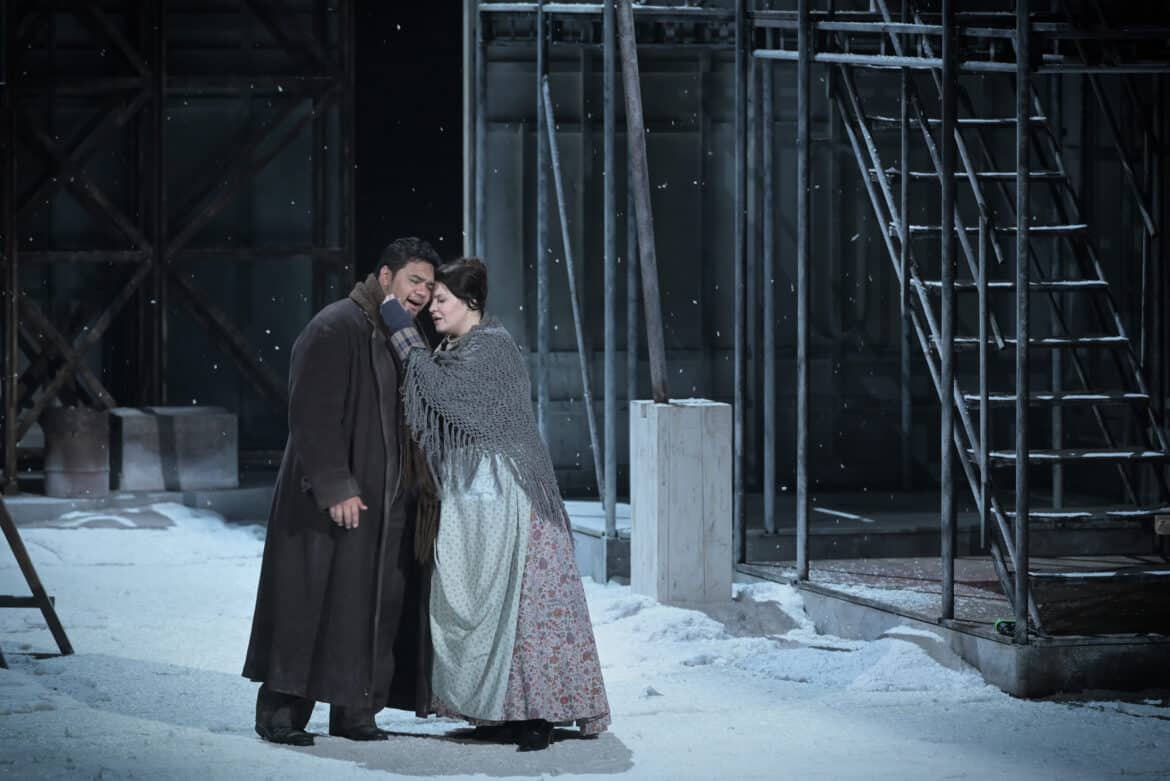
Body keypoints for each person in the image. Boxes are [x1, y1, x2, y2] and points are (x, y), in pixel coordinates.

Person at [380, 257, 611, 752]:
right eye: (432, 300)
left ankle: (539, 713)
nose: (433, 309)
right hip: (478, 494)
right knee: (486, 605)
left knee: (525, 606)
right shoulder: (457, 348)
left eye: (442, 300)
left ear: (472, 304)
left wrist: (402, 333)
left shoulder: (492, 349)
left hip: (513, 496)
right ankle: (502, 709)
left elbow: (439, 394)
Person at [242, 237, 441, 746]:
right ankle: (282, 713)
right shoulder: (337, 325)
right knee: (310, 600)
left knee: (373, 606)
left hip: (388, 497)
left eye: (428, 285)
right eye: (413, 280)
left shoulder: (401, 336)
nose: (421, 293)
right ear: (385, 277)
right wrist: (334, 485)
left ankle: (357, 711)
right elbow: (312, 415)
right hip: (333, 498)